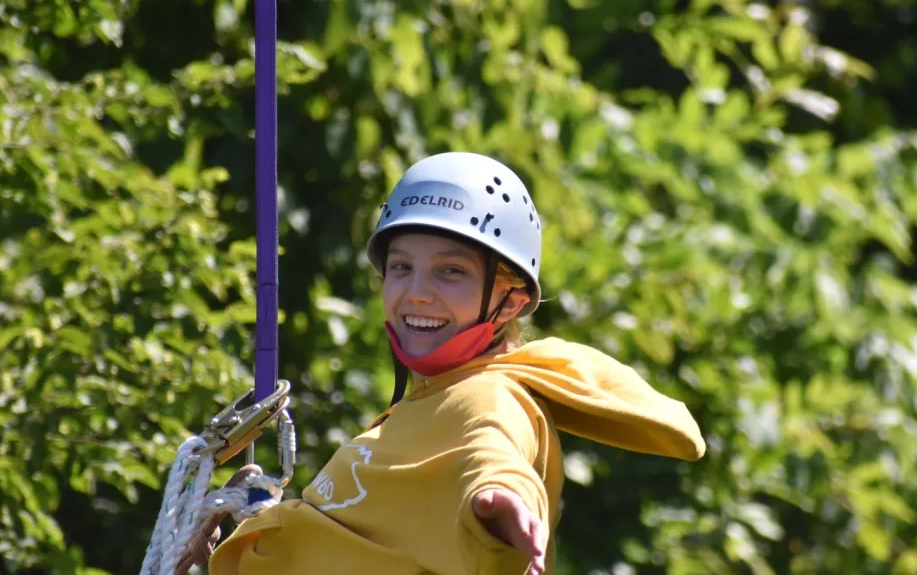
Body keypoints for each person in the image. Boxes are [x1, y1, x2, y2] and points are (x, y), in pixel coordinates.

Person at [201, 152, 706, 575]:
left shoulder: (490, 395)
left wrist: (502, 498)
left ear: (509, 301)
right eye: (402, 267)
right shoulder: (429, 402)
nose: (416, 293)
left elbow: (494, 453)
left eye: (450, 271)